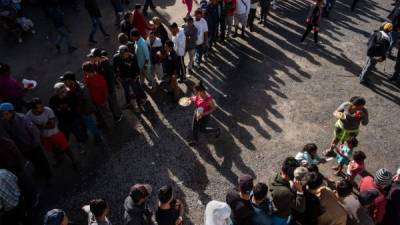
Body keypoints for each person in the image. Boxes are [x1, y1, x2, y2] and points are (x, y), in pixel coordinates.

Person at [0, 102, 52, 179]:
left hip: (32, 145)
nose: (3, 116)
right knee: (33, 160)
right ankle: (39, 171)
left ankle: (48, 176)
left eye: (5, 114)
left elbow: (35, 132)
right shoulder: (4, 121)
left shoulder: (23, 119)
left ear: (12, 112)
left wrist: (35, 144)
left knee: (41, 161)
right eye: (2, 114)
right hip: (22, 146)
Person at [25, 98, 78, 169]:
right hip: (44, 137)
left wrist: (39, 126)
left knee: (65, 147)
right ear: (33, 109)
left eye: (42, 106)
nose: (42, 108)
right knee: (53, 149)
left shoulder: (48, 110)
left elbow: (52, 125)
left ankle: (73, 160)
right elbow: (33, 127)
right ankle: (60, 158)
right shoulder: (28, 115)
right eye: (39, 107)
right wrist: (44, 125)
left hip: (55, 133)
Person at [60, 72, 103, 144]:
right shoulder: (72, 87)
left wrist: (81, 111)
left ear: (71, 81)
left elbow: (84, 102)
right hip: (81, 111)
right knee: (85, 125)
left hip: (85, 112)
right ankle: (88, 135)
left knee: (91, 125)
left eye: (65, 81)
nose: (64, 82)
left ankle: (98, 137)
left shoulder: (80, 89)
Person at [50, 82, 88, 154]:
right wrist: (60, 110)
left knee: (78, 134)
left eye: (64, 90)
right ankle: (66, 149)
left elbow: (77, 105)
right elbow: (53, 110)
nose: (64, 92)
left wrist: (74, 112)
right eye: (62, 91)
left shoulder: (71, 95)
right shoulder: (53, 99)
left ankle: (80, 147)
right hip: (63, 122)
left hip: (73, 119)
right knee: (65, 137)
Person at [87, 48, 123, 122]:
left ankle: (118, 115)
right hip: (104, 88)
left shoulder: (106, 64)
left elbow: (111, 77)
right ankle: (115, 114)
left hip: (109, 88)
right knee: (110, 103)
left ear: (98, 56)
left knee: (113, 103)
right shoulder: (96, 63)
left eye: (93, 57)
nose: (92, 58)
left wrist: (110, 89)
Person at [269, 157, 305, 225]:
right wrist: (300, 190)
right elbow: (300, 208)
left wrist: (289, 181)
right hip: (282, 216)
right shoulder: (286, 192)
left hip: (276, 205)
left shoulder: (273, 177)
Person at [113, 45, 147, 111]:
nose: (123, 56)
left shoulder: (133, 57)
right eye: (121, 54)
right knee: (126, 91)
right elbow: (114, 69)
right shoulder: (116, 58)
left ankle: (139, 103)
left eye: (124, 54)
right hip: (123, 78)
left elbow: (137, 68)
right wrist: (117, 78)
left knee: (136, 91)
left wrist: (136, 77)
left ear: (128, 52)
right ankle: (128, 103)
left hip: (133, 78)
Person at [187, 81, 220, 146]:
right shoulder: (198, 95)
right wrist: (192, 99)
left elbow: (213, 108)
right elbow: (196, 98)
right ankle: (195, 141)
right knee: (194, 128)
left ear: (201, 91)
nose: (194, 93)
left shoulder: (208, 99)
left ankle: (217, 130)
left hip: (205, 116)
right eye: (194, 91)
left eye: (196, 91)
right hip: (197, 113)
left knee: (202, 130)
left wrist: (203, 114)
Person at [82, 62, 113, 128]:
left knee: (106, 113)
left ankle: (110, 125)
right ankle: (102, 124)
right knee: (98, 114)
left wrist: (105, 100)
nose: (84, 73)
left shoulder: (99, 78)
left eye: (85, 72)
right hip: (94, 101)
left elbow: (105, 90)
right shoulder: (87, 78)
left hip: (102, 101)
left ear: (87, 71)